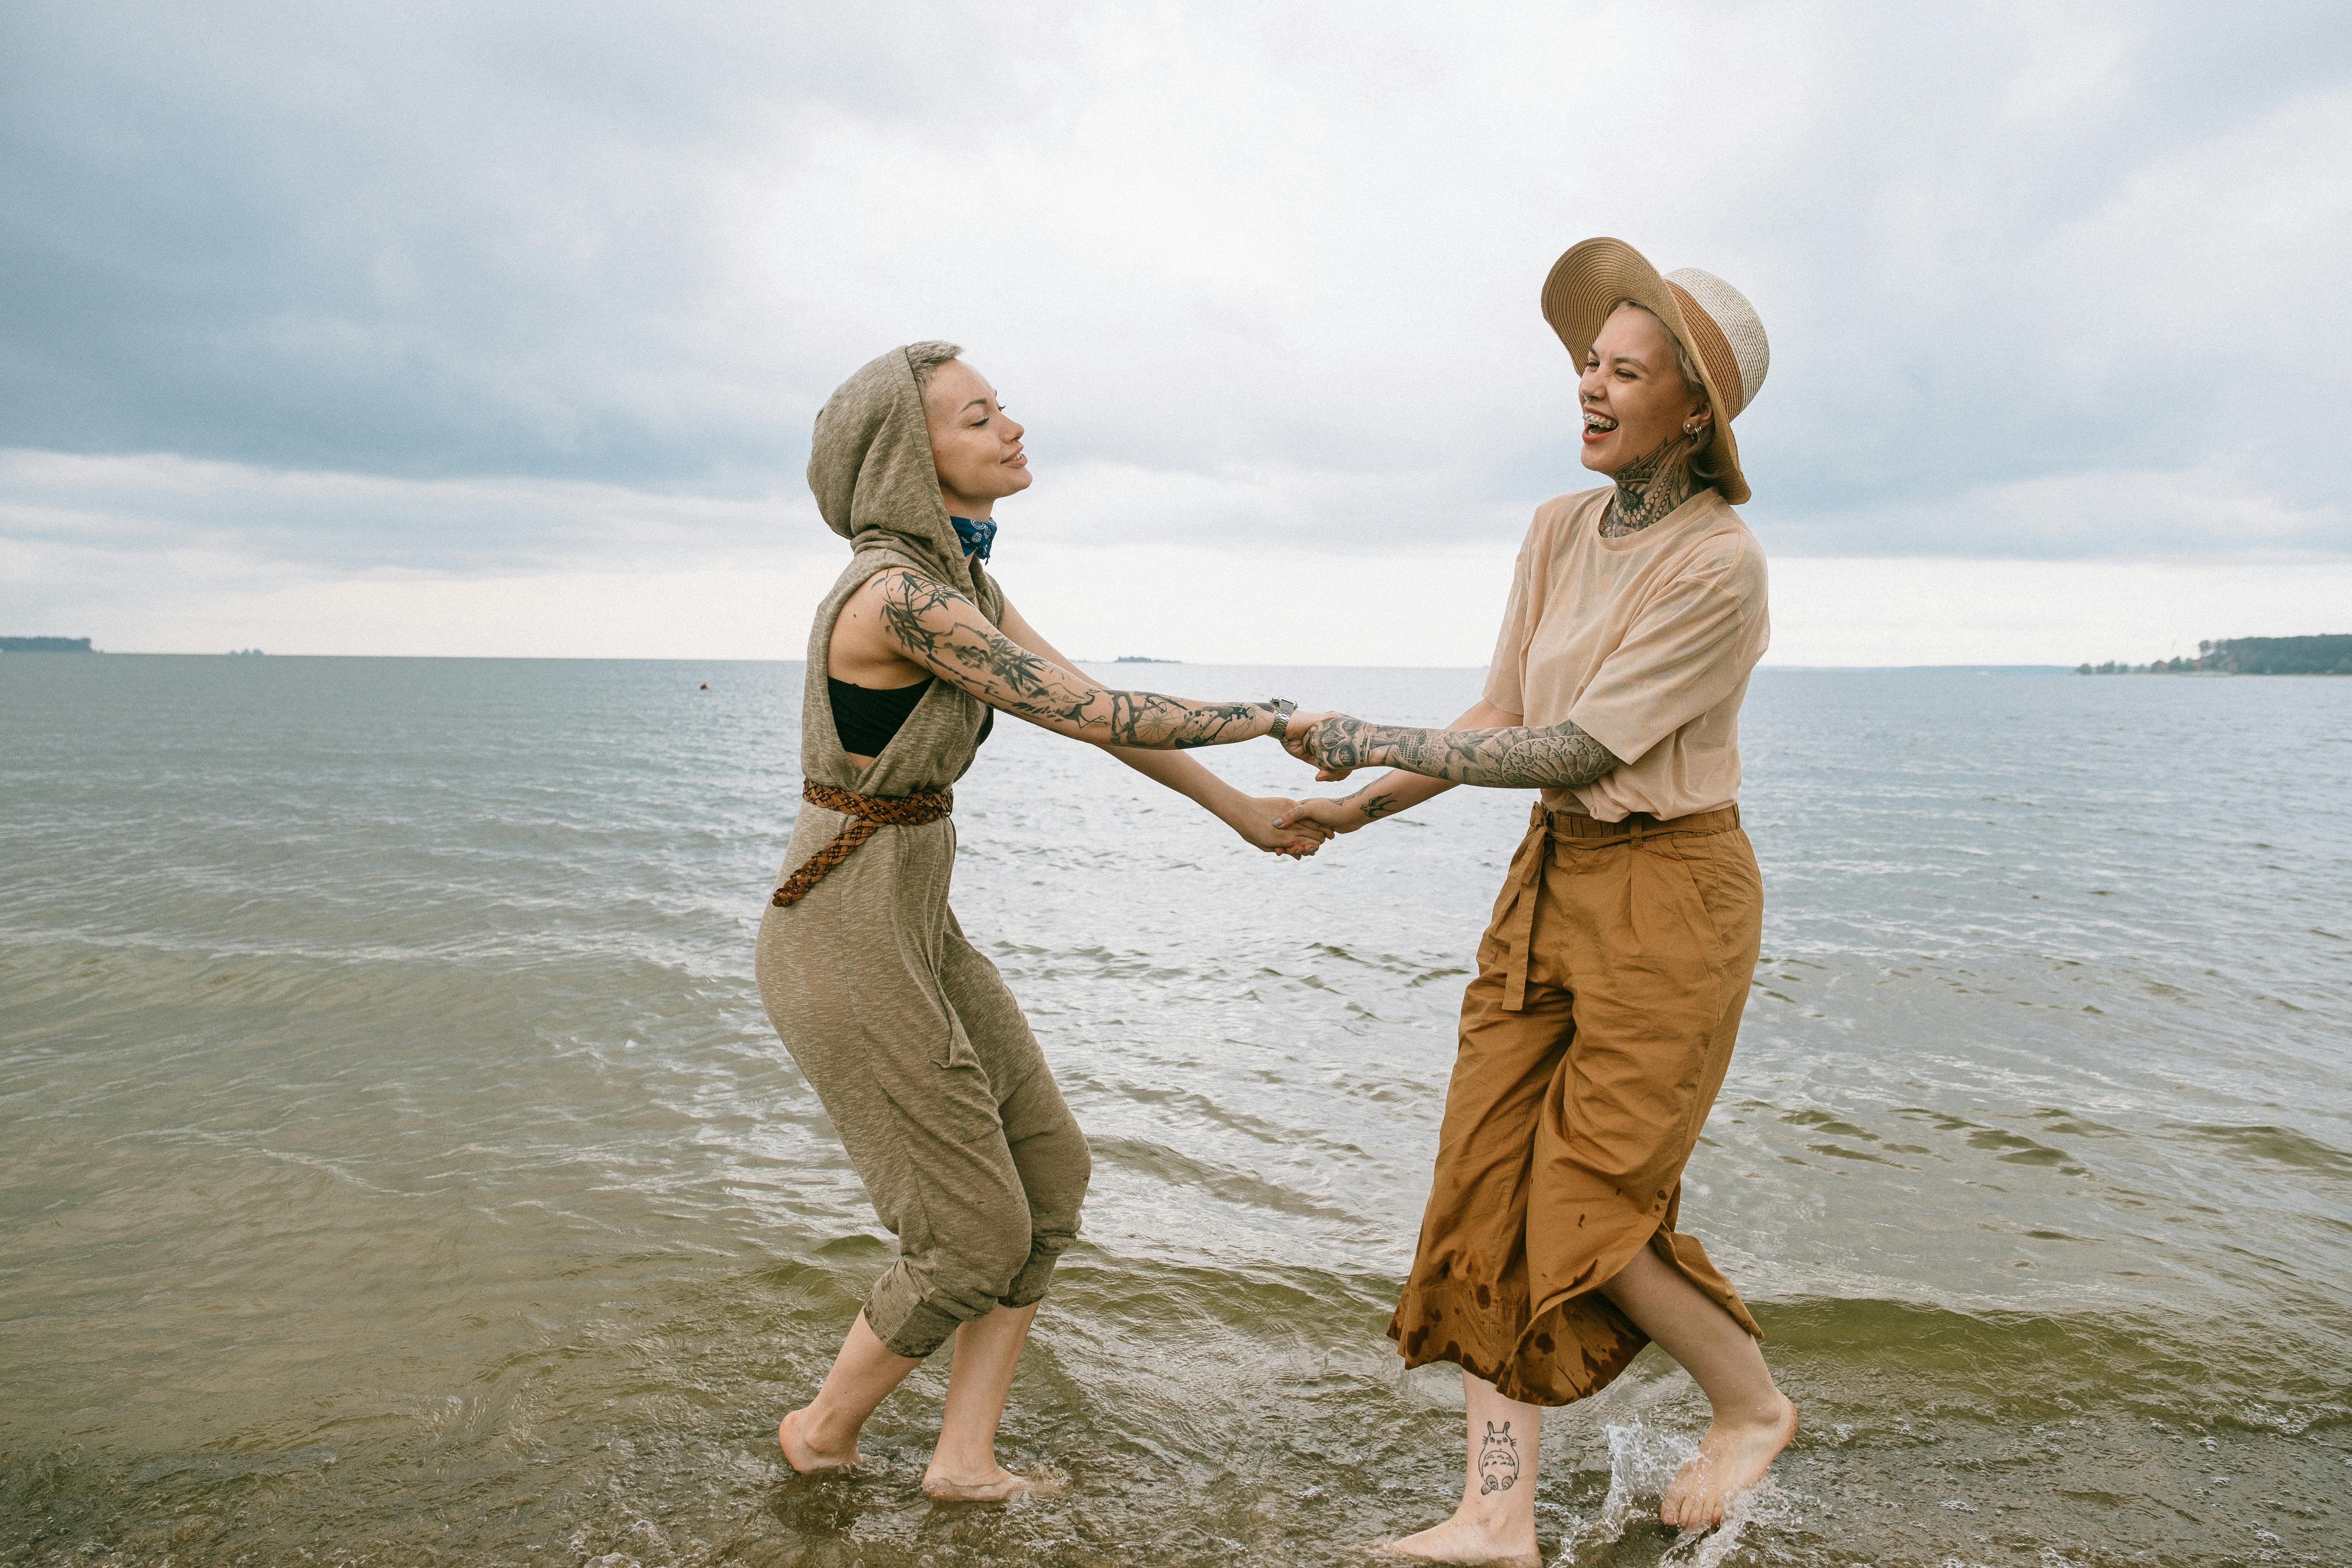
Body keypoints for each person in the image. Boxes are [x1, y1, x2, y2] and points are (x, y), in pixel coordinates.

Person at [1277, 239, 1794, 1560]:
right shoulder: (1557, 528)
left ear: (1695, 411)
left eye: (1625, 371)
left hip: (1672, 893)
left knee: (1588, 1203)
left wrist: (1362, 735)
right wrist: (1357, 807)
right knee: (1487, 1189)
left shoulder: (1717, 564)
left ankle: (1748, 1408)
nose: (1589, 386)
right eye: (1585, 363)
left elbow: (1580, 749)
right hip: (1551, 878)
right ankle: (1492, 1520)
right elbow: (1502, 716)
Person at [758, 341, 1332, 1502]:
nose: (1012, 430)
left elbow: (1091, 710)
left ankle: (963, 1459)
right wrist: (1274, 715)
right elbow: (1087, 705)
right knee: (970, 1236)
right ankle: (820, 1433)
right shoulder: (899, 596)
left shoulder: (958, 583)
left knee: (1047, 1180)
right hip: (842, 934)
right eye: (979, 418)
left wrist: (1237, 812)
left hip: (917, 927)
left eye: (1002, 409)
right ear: (914, 460)